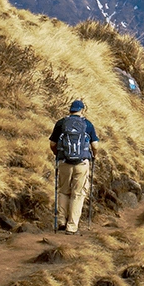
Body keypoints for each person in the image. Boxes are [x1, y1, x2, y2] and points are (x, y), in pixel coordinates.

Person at [49, 99, 100, 234]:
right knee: (78, 194)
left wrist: (58, 155)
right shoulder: (87, 124)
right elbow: (95, 145)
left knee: (63, 191)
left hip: (64, 162)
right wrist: (94, 155)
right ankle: (72, 227)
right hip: (82, 163)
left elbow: (52, 144)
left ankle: (61, 221)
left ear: (70, 109)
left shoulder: (61, 123)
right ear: (82, 110)